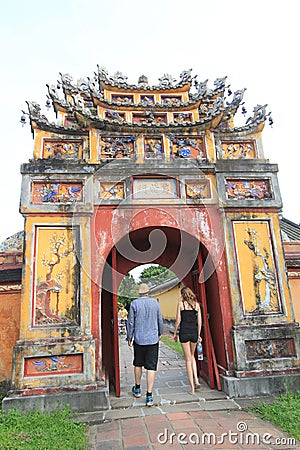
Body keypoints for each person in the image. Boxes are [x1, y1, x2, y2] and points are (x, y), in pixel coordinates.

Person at [127, 283, 164, 407]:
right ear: (148, 292)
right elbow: (160, 319)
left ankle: (137, 389)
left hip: (139, 339)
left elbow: (131, 322)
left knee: (138, 363)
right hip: (152, 339)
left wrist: (129, 337)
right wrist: (160, 332)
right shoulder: (155, 303)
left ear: (139, 292)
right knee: (151, 366)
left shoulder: (134, 304)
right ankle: (149, 395)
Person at [173, 286, 202, 394]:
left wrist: (175, 334)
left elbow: (177, 321)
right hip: (194, 332)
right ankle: (196, 380)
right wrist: (198, 335)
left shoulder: (181, 304)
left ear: (182, 295)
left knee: (188, 359)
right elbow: (199, 322)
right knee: (192, 357)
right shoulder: (196, 305)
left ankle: (192, 388)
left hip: (184, 333)